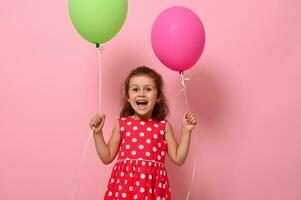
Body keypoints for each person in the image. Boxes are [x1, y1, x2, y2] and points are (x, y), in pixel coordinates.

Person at [89, 66, 197, 200]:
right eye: (135, 89)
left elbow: (178, 158)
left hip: (152, 189)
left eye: (148, 89)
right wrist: (97, 134)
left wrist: (186, 131)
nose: (141, 94)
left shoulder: (163, 126)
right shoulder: (122, 124)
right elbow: (106, 157)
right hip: (124, 188)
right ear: (128, 97)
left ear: (158, 97)